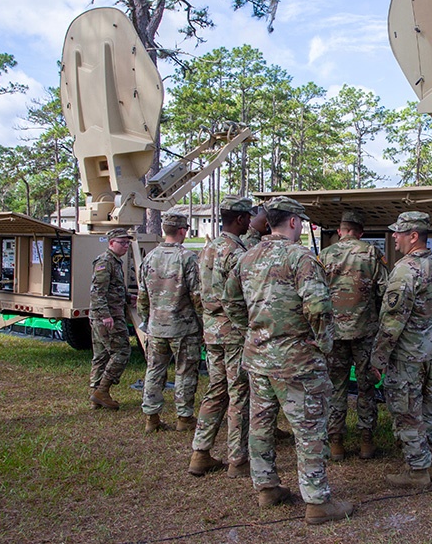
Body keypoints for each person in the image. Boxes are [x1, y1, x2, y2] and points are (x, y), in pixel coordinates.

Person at [224, 196, 353, 525]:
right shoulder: (301, 257)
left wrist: (253, 332)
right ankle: (317, 501)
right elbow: (319, 307)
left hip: (258, 357)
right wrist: (323, 343)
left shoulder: (247, 256)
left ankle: (266, 488)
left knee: (261, 424)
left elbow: (231, 301)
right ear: (294, 222)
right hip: (296, 360)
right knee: (309, 427)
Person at [368, 211, 432, 488]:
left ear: (413, 236)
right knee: (426, 408)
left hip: (407, 357)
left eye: (399, 232)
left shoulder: (405, 270)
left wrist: (377, 359)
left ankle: (417, 471)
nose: (394, 236)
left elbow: (392, 322)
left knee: (406, 412)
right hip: (430, 352)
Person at [190, 196, 254, 478]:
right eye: (248, 218)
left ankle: (200, 452)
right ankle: (237, 459)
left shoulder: (208, 249)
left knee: (215, 389)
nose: (251, 222)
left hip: (212, 331)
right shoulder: (236, 253)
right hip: (233, 333)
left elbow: (197, 292)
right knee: (239, 391)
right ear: (240, 220)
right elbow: (241, 297)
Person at [318, 209, 387, 461]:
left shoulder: (324, 255)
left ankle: (336, 442)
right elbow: (384, 291)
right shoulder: (371, 253)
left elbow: (315, 295)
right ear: (361, 232)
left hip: (334, 334)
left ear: (340, 231)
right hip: (365, 332)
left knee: (336, 386)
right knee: (367, 386)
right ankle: (366, 441)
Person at [138, 211, 203, 433]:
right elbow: (197, 295)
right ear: (183, 231)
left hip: (156, 326)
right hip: (183, 327)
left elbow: (142, 296)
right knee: (185, 371)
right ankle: (184, 417)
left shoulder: (150, 257)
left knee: (154, 370)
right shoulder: (188, 258)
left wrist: (146, 320)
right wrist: (203, 322)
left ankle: (151, 417)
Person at [88, 227, 134, 410]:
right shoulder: (105, 261)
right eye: (122, 243)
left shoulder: (115, 262)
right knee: (122, 351)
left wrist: (130, 298)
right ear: (111, 243)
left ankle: (95, 396)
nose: (125, 246)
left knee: (101, 355)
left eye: (127, 243)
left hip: (108, 313)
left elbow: (114, 289)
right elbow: (98, 292)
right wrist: (106, 316)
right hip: (108, 317)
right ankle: (102, 391)